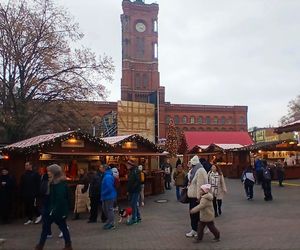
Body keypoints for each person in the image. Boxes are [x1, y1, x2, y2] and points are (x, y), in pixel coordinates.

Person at [35, 164, 72, 250]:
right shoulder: (52, 182)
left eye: (49, 171)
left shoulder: (59, 184)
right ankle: (40, 245)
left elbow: (60, 198)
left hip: (55, 210)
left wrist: (54, 209)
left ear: (54, 173)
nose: (48, 173)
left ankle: (68, 245)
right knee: (48, 228)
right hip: (50, 208)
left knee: (61, 227)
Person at [186, 155, 208, 238]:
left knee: (195, 214)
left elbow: (200, 185)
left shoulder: (200, 170)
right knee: (194, 214)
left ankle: (196, 230)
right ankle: (197, 229)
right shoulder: (194, 170)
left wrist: (199, 197)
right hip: (193, 196)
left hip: (196, 197)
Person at [101, 165, 117, 230]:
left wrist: (103, 193)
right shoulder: (107, 175)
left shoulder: (107, 176)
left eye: (101, 167)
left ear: (104, 169)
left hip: (108, 196)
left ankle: (111, 223)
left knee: (109, 210)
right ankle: (109, 222)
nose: (100, 168)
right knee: (106, 209)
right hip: (108, 195)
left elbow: (109, 187)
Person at [126, 160, 142, 225]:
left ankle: (134, 219)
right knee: (134, 204)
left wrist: (132, 188)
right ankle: (138, 217)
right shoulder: (132, 171)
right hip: (132, 190)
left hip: (135, 190)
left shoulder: (136, 171)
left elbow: (138, 181)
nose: (126, 166)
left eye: (127, 165)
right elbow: (131, 181)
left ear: (130, 165)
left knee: (133, 204)